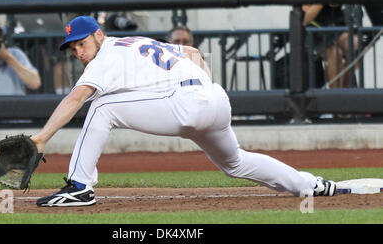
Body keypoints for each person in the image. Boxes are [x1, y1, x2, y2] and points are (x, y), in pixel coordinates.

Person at [31, 15, 337, 207]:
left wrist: (42, 137)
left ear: (99, 35)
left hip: (186, 103)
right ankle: (309, 185)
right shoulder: (137, 42)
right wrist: (202, 91)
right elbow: (192, 53)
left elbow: (77, 97)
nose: (79, 53)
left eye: (81, 43)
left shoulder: (106, 55)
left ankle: (80, 187)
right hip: (213, 100)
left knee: (101, 107)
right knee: (235, 163)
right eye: (73, 49)